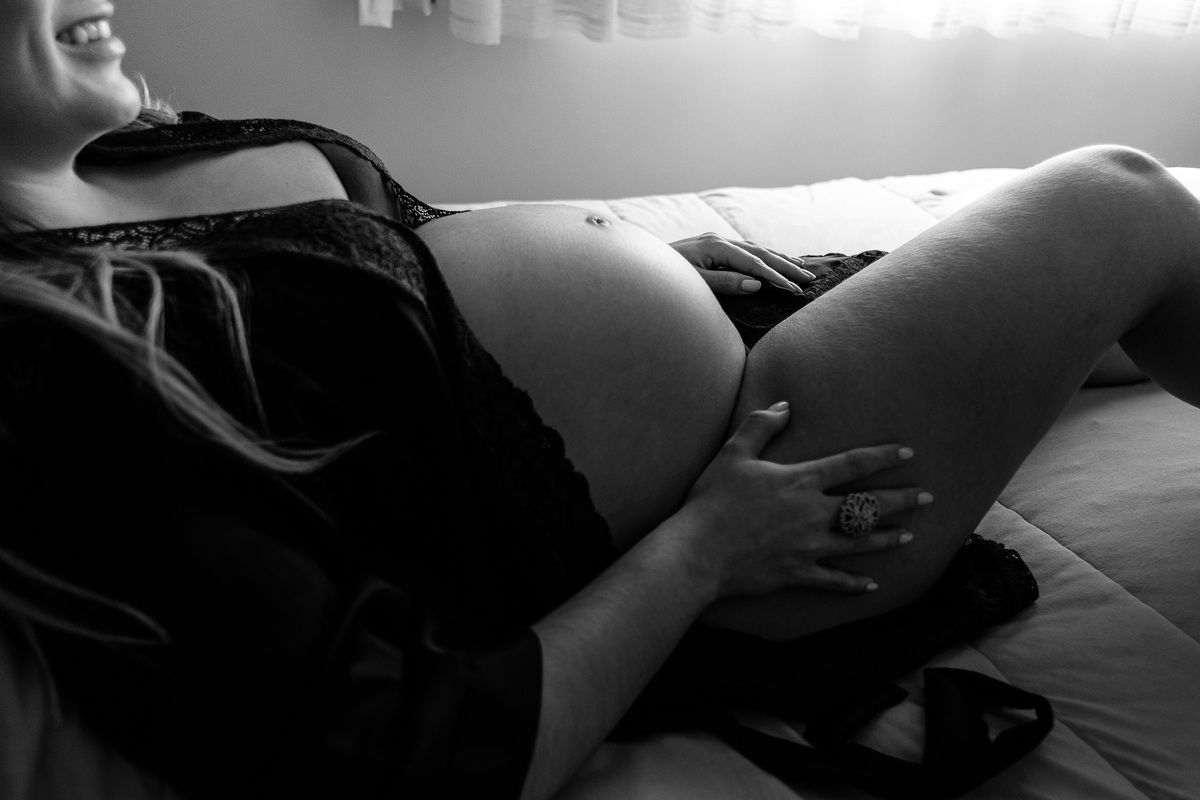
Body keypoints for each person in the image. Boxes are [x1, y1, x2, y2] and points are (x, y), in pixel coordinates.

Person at [0, 2, 1195, 799]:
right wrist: (708, 547)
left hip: (734, 358)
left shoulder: (118, 155)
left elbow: (385, 285)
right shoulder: (39, 354)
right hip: (754, 492)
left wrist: (625, 258)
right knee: (1124, 201)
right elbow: (394, 751)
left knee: (1103, 314)